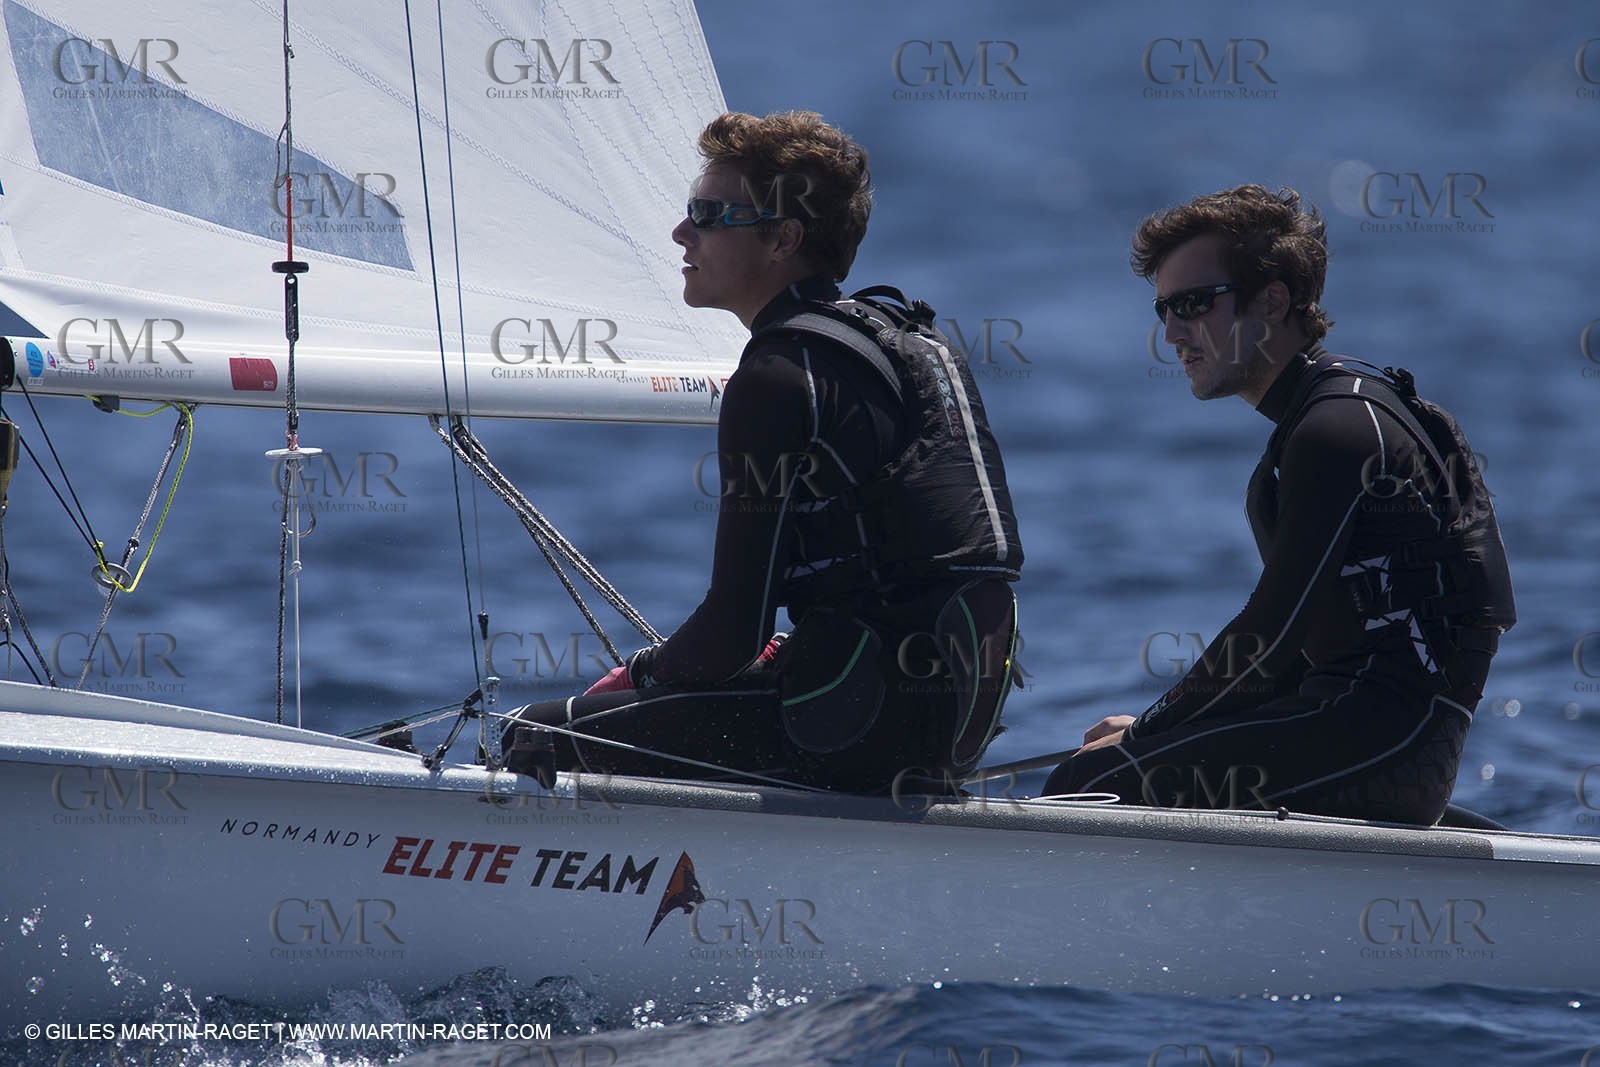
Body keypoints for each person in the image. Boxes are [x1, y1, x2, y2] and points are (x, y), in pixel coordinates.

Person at [504, 110, 1024, 794]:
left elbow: (731, 634)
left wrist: (637, 675)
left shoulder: (777, 376)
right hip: (943, 724)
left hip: (852, 726)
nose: (681, 231)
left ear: (784, 238)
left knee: (537, 734)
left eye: (708, 213)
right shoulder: (915, 344)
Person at [1045, 184, 1514, 826]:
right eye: (1162, 311)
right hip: (1375, 737)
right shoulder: (1326, 415)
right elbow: (1300, 645)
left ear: (1272, 301)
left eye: (1192, 304)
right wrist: (1161, 734)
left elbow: (1273, 628)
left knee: (1084, 783)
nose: (1172, 334)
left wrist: (1148, 731)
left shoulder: (1337, 429)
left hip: (1380, 739)